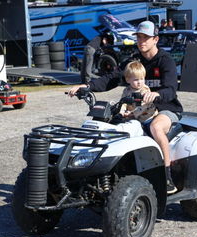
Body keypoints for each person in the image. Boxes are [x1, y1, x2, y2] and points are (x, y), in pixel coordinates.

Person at [69, 21, 183, 194]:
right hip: (137, 110)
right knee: (110, 126)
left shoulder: (165, 61)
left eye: (146, 37)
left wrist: (157, 95)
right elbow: (112, 77)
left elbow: (171, 89)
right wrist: (87, 86)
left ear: (156, 39)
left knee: (156, 128)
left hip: (165, 108)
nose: (142, 41)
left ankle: (167, 177)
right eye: (139, 37)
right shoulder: (134, 61)